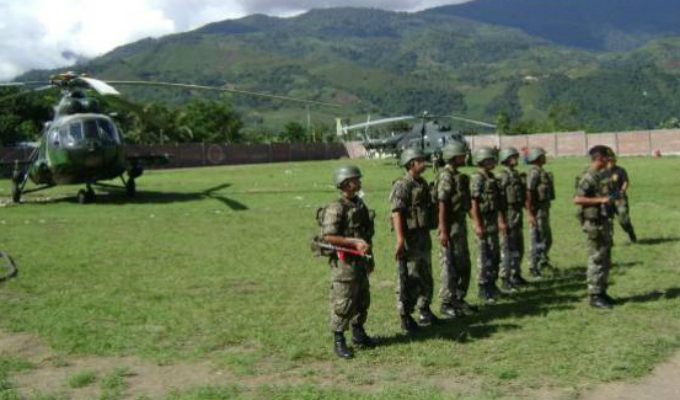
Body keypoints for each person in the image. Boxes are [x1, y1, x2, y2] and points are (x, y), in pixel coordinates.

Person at [321, 166, 376, 358]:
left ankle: (358, 333)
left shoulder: (360, 204)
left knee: (362, 299)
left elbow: (366, 235)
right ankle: (339, 340)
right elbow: (328, 236)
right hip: (344, 263)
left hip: (360, 261)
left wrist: (370, 258)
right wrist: (353, 242)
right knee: (344, 301)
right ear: (344, 183)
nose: (359, 182)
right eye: (355, 179)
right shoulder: (336, 208)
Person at [390, 148, 440, 333]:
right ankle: (406, 317)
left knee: (425, 274)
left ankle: (424, 310)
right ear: (411, 163)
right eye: (420, 160)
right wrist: (400, 239)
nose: (424, 162)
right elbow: (396, 212)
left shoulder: (422, 183)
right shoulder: (402, 185)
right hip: (409, 239)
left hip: (422, 237)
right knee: (408, 277)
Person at [436, 142, 477, 317]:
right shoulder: (446, 176)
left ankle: (458, 298)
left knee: (463, 263)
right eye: (461, 155)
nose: (464, 157)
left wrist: (475, 221)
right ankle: (446, 302)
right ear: (453, 157)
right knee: (449, 265)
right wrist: (443, 229)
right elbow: (442, 203)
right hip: (450, 225)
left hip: (459, 225)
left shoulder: (458, 176)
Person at [574, 146, 617, 309]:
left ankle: (602, 291)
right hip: (594, 224)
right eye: (607, 157)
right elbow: (577, 199)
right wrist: (600, 200)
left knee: (605, 257)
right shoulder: (589, 176)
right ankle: (594, 295)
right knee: (596, 258)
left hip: (603, 221)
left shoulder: (601, 175)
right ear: (600, 158)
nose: (609, 160)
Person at [470, 147, 507, 304]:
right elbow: (474, 202)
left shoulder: (491, 177)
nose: (493, 162)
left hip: (492, 221)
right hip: (483, 221)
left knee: (494, 254)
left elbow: (498, 201)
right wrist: (477, 224)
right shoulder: (477, 178)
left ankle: (492, 284)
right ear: (483, 161)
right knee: (484, 255)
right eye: (491, 159)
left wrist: (500, 220)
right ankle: (483, 286)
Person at [497, 147, 529, 291]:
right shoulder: (502, 176)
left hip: (517, 215)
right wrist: (501, 220)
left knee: (518, 247)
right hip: (507, 214)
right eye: (513, 157)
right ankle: (505, 278)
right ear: (506, 159)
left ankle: (516, 274)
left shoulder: (515, 174)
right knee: (507, 248)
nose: (517, 159)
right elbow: (498, 200)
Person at [526, 147, 555, 277]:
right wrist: (530, 213)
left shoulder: (541, 171)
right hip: (537, 211)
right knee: (537, 238)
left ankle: (542, 261)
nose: (545, 158)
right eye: (543, 156)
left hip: (544, 210)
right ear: (537, 158)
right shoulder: (534, 173)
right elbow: (529, 192)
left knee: (546, 238)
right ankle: (533, 266)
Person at [606, 155, 637, 243]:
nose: (610, 162)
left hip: (619, 199)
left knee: (624, 219)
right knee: (608, 220)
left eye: (612, 160)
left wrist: (622, 191)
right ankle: (609, 240)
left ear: (615, 161)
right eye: (608, 161)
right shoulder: (602, 171)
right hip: (607, 199)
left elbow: (625, 182)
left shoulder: (620, 170)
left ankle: (630, 232)